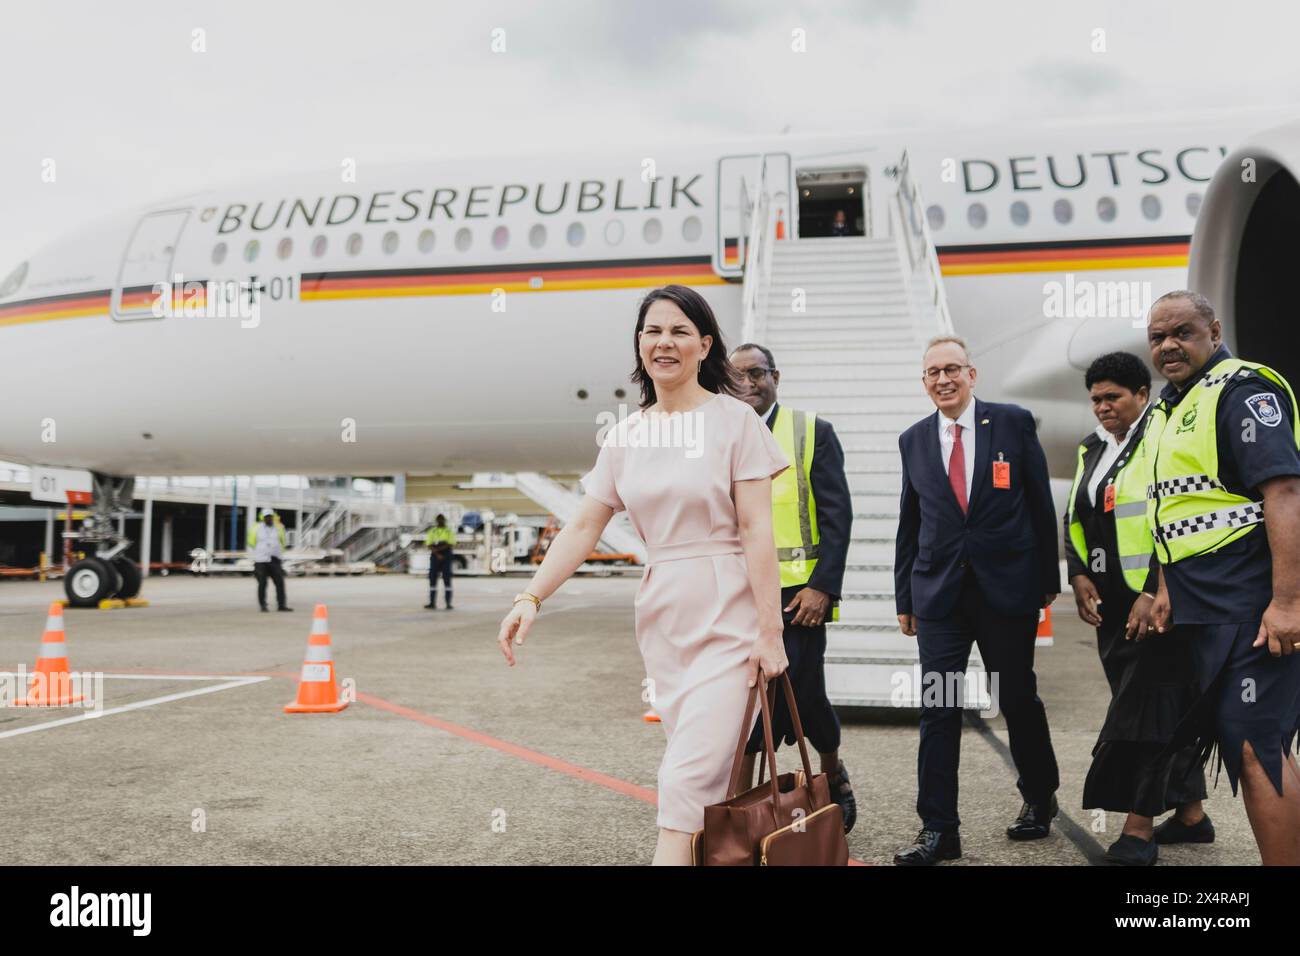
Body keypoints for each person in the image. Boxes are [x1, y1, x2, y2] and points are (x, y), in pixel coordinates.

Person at [495, 284, 791, 866]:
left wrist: (770, 631)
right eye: (654, 330)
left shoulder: (736, 422)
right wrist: (531, 596)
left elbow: (758, 532)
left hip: (728, 607)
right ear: (639, 343)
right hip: (664, 615)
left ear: (705, 346)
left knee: (682, 784)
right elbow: (583, 528)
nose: (665, 342)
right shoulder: (626, 435)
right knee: (705, 784)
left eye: (681, 331)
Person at [1136, 290, 1300, 865]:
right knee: (1247, 743)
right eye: (1158, 337)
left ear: (1214, 329)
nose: (1168, 346)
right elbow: (1173, 512)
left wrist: (1288, 602)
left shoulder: (1242, 392)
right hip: (1202, 606)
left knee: (1256, 745)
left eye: (1182, 332)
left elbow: (1283, 494)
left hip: (1252, 605)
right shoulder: (1169, 405)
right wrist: (1163, 587)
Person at [893, 335, 1060, 865]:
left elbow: (1038, 501)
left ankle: (1039, 797)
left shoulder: (1011, 422)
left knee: (1017, 700)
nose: (943, 380)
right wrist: (906, 595)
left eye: (952, 370)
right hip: (939, 596)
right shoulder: (914, 440)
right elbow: (910, 521)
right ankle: (939, 830)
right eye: (932, 373)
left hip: (1005, 593)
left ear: (972, 374)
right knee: (938, 707)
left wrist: (1044, 584)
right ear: (924, 383)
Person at [1065, 351, 1209, 866]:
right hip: (1111, 605)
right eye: (1096, 399)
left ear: (1142, 396)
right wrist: (1078, 574)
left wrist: (1154, 589)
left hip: (1156, 601)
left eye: (1114, 397)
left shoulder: (1161, 440)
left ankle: (1138, 829)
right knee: (1162, 707)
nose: (1103, 407)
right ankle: (1191, 815)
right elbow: (1075, 518)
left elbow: (1176, 516)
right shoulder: (1091, 450)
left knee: (1142, 713)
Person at [729, 342, 857, 832]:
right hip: (740, 594)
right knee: (745, 699)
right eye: (736, 376)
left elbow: (836, 516)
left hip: (800, 596)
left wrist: (824, 586)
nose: (747, 384)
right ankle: (742, 807)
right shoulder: (724, 435)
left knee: (804, 693)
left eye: (756, 373)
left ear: (775, 375)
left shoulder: (810, 432)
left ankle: (830, 774)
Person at [248, 509, 292, 612]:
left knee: (280, 583)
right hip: (261, 560)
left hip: (274, 559)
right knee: (262, 583)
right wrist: (262, 550)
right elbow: (251, 542)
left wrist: (278, 551)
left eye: (270, 516)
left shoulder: (279, 528)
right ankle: (263, 605)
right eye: (267, 517)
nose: (269, 518)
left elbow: (282, 541)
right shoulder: (256, 528)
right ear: (263, 518)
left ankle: (282, 605)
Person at [425, 514, 456, 609]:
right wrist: (438, 554)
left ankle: (448, 603)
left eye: (442, 520)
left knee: (447, 580)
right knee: (432, 580)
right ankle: (432, 603)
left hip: (446, 557)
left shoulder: (449, 531)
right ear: (436, 521)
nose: (440, 521)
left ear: (444, 521)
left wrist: (439, 552)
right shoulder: (432, 531)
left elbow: (451, 544)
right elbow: (428, 544)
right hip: (435, 557)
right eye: (439, 520)